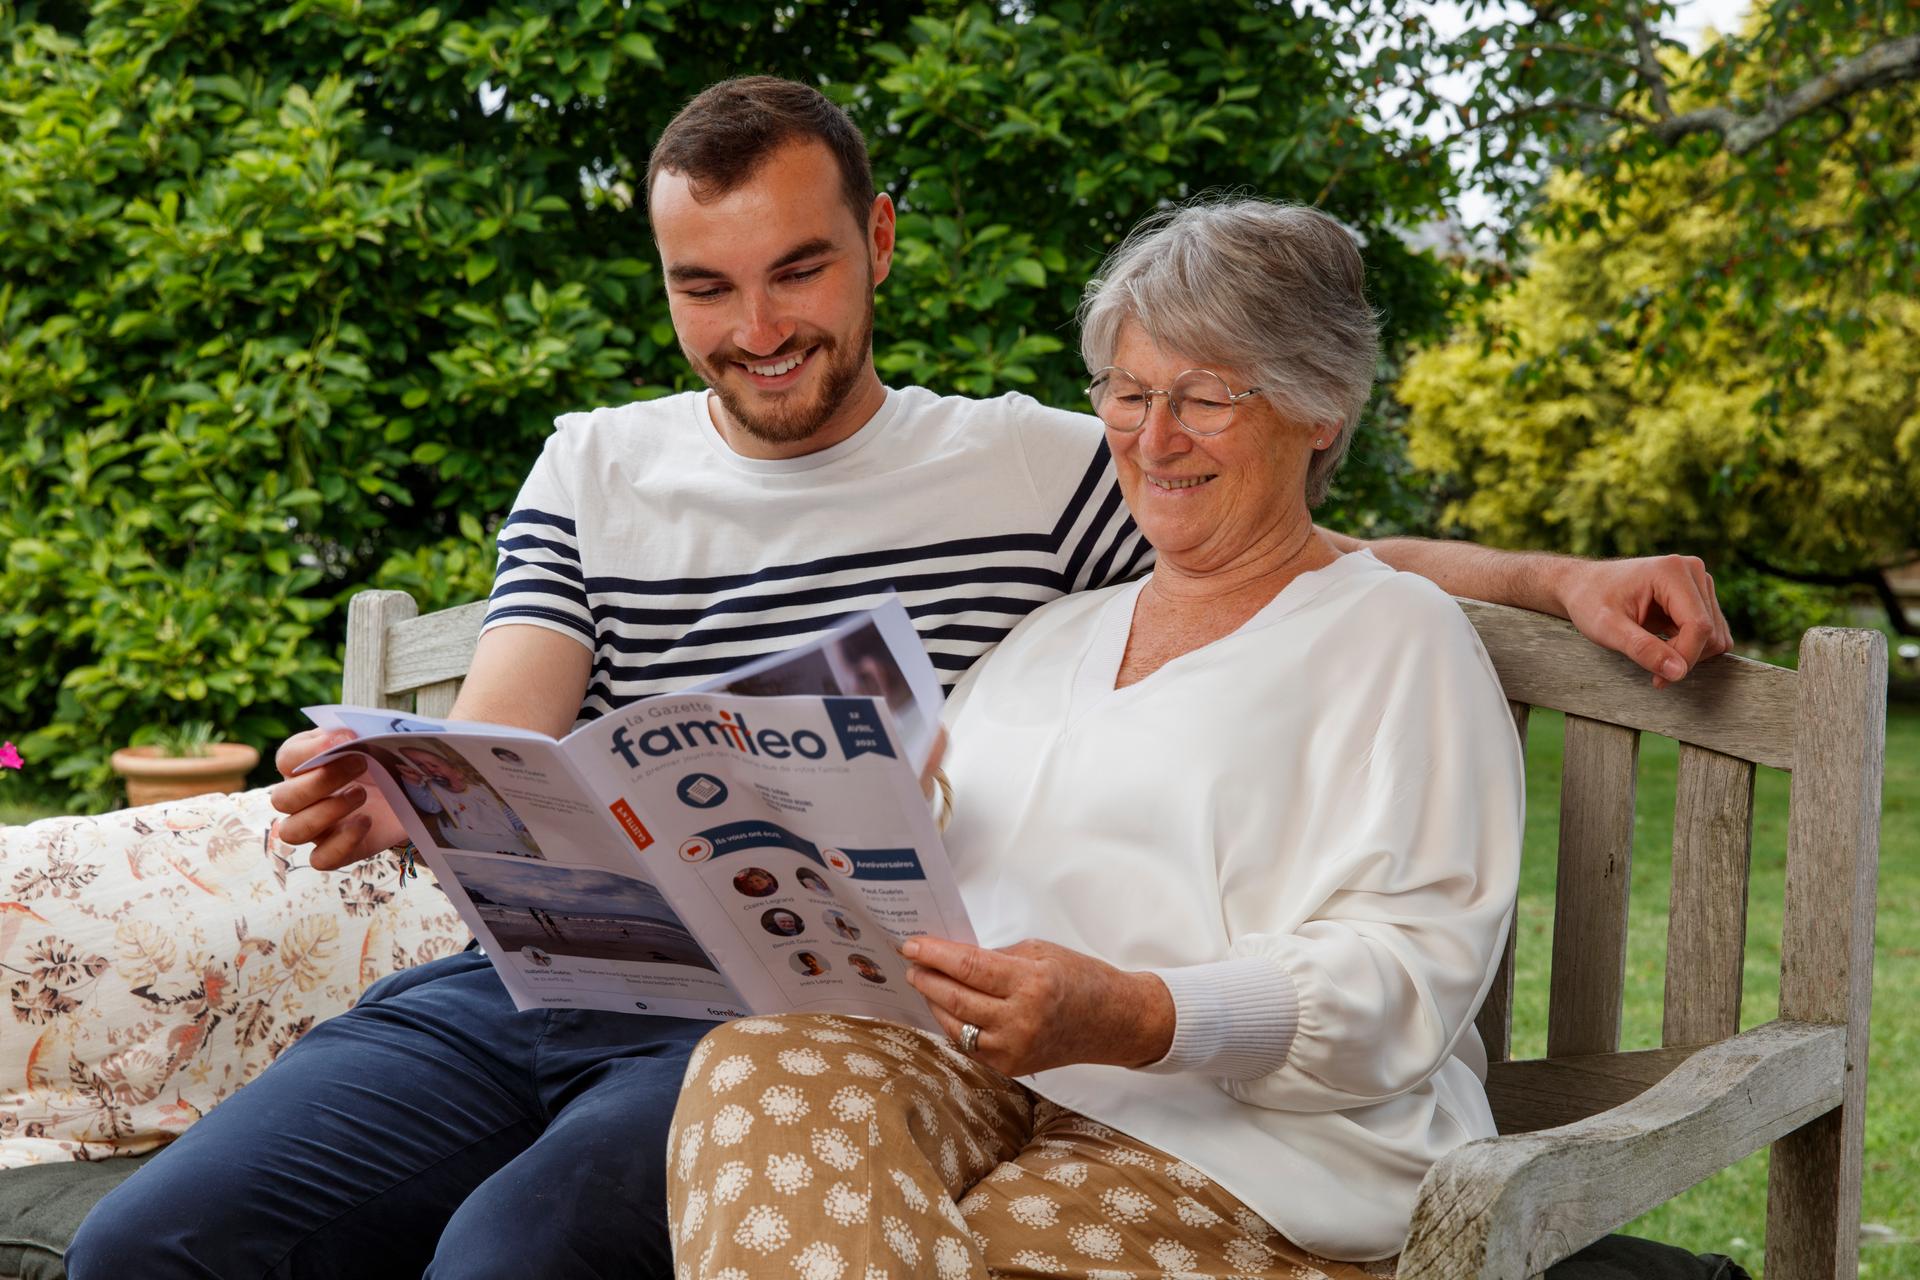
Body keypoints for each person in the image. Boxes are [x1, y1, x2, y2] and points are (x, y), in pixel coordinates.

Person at [67, 77, 1731, 1280]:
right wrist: (405, 782)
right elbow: (508, 727)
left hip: (812, 1020)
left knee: (516, 1250)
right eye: (705, 287)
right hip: (568, 979)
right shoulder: (599, 463)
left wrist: (1556, 579)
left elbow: (1284, 558)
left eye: (797, 269)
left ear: (875, 243)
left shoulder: (1037, 472)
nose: (756, 326)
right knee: (154, 1244)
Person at [668, 198, 1520, 1275]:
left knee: (990, 1248)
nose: (1153, 438)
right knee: (758, 1073)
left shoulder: (1395, 633)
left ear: (1321, 409)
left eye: (1203, 396)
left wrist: (1137, 1013)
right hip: (992, 1089)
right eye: (1127, 390)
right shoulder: (1051, 636)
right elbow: (944, 862)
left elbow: (1409, 969)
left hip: (1260, 1158)